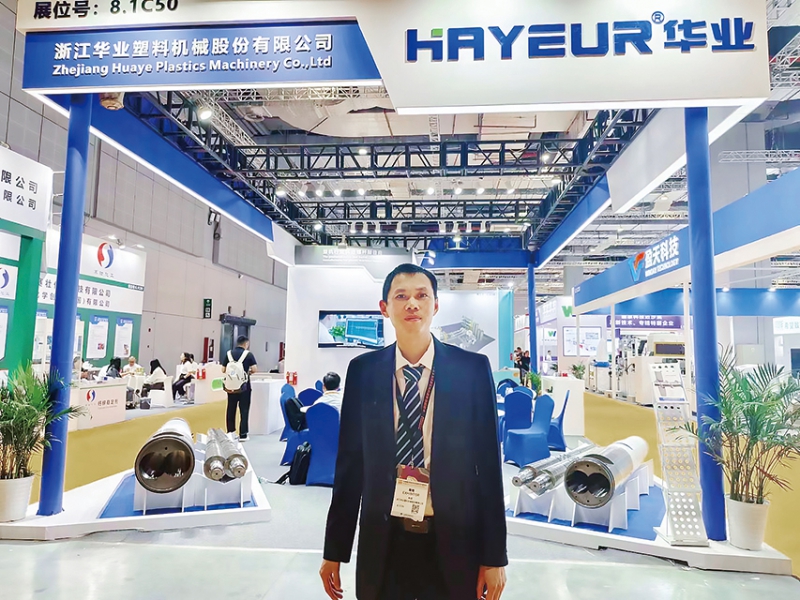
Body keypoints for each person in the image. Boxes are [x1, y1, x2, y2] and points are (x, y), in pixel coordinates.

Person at [321, 264, 507, 600]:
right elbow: (350, 466)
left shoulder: (472, 370)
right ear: (384, 308)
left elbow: (489, 470)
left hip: (454, 539)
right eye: (401, 296)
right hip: (385, 540)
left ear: (435, 305)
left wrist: (494, 556)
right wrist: (334, 548)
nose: (412, 303)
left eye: (422, 295)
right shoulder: (363, 372)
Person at [222, 336, 258, 441]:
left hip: (231, 387)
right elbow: (254, 369)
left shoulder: (228, 354)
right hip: (244, 387)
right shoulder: (248, 354)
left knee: (231, 409)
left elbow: (223, 369)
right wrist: (247, 372)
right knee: (244, 410)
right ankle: (243, 434)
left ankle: (231, 433)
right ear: (246, 344)